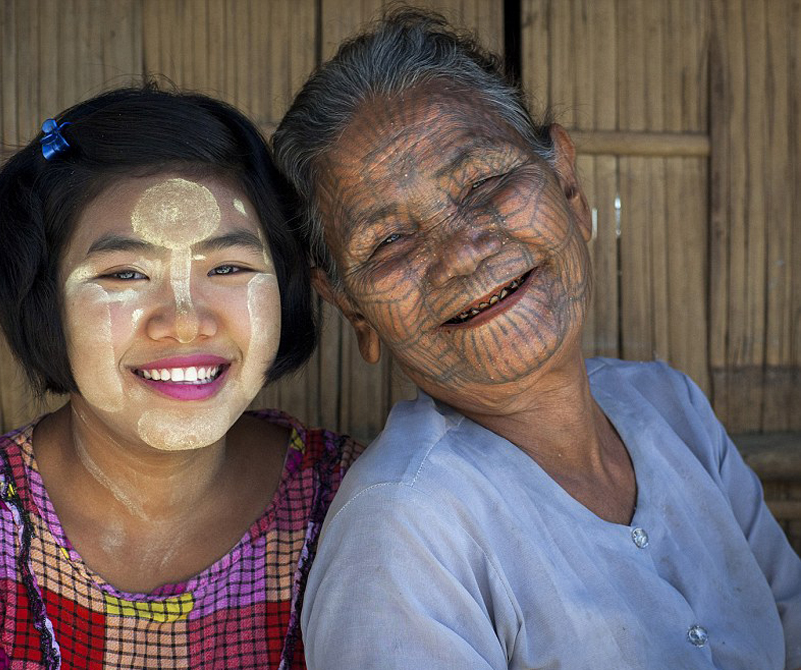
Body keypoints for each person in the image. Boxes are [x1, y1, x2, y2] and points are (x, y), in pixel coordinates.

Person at [273, 8, 801, 669]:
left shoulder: (671, 407)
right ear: (354, 311)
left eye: (486, 181)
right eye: (389, 241)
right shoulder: (403, 533)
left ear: (569, 187)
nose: (461, 252)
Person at [0, 82, 359, 669]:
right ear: (44, 306)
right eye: (125, 275)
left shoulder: (359, 511)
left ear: (287, 291)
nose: (185, 323)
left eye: (230, 266)